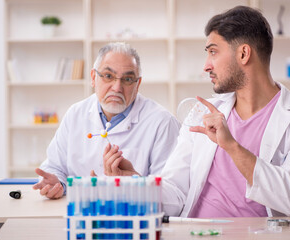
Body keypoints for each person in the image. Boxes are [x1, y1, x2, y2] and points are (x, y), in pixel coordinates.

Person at [160, 6, 290, 217]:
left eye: (213, 51)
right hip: (196, 232)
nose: (206, 66)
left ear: (243, 53)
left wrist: (231, 146)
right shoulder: (202, 112)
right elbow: (175, 191)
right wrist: (136, 188)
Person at [33, 42, 180, 199]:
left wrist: (136, 183)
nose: (117, 87)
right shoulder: (75, 114)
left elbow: (172, 193)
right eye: (108, 76)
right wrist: (58, 184)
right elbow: (54, 166)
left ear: (137, 84)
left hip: (132, 217)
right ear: (93, 78)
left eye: (128, 79)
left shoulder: (163, 122)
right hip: (80, 212)